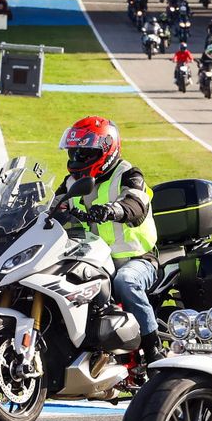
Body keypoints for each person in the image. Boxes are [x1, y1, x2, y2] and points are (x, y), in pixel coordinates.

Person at [58, 117, 163, 365]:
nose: (76, 160)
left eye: (84, 153)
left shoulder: (128, 174)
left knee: (125, 282)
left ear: (106, 151)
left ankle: (153, 350)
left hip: (137, 259)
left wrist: (114, 210)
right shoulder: (71, 182)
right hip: (96, 260)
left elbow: (137, 203)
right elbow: (53, 206)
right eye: (74, 153)